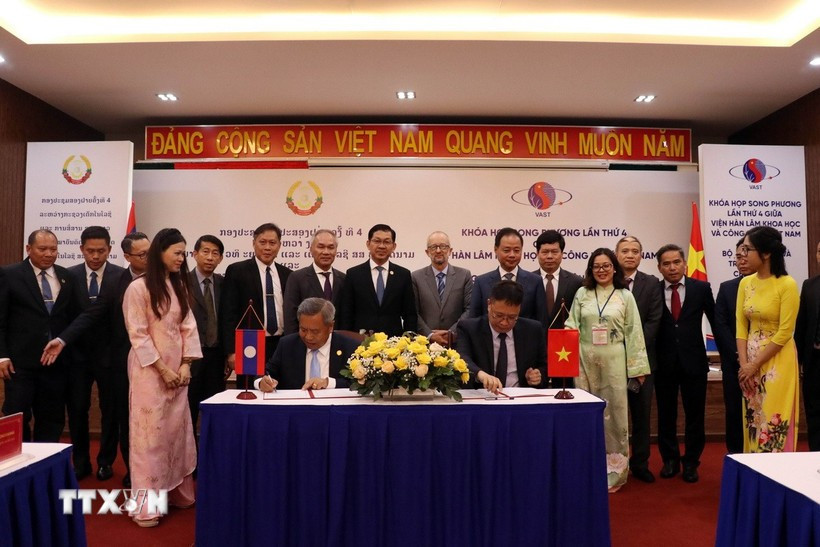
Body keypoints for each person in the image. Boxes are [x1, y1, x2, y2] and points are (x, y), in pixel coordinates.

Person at [123, 227, 202, 527]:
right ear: (160, 253)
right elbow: (138, 335)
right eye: (178, 253)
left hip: (178, 375)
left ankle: (178, 492)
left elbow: (188, 328)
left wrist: (185, 366)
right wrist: (163, 369)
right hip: (149, 374)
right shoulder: (138, 289)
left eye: (184, 253)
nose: (183, 258)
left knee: (177, 435)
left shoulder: (178, 286)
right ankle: (146, 506)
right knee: (150, 439)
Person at [565, 248, 650, 492]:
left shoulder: (625, 296)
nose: (601, 270)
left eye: (606, 265)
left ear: (615, 268)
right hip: (584, 361)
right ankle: (586, 468)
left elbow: (634, 332)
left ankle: (615, 471)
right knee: (586, 413)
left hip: (615, 362)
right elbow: (572, 324)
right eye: (596, 266)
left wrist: (637, 369)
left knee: (614, 416)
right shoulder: (582, 293)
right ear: (590, 269)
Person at [0, 230, 88, 442]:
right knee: (17, 416)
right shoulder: (9, 275)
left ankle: (45, 467)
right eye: (42, 249)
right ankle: (19, 469)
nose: (49, 254)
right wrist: (2, 355)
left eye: (53, 249)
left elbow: (75, 317)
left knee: (52, 419)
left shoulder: (67, 276)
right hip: (19, 364)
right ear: (28, 249)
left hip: (55, 364)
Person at [66, 226, 126, 481]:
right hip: (77, 357)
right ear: (81, 249)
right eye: (90, 251)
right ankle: (80, 462)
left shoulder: (122, 276)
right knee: (77, 409)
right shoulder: (68, 276)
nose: (95, 256)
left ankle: (105, 461)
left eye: (101, 251)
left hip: (110, 356)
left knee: (110, 411)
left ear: (110, 250)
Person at [655, 243, 715, 483]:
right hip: (663, 362)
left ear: (685, 264)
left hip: (694, 362)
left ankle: (691, 462)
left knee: (695, 415)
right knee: (666, 414)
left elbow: (715, 320)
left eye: (676, 262)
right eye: (666, 264)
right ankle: (669, 460)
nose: (672, 267)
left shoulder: (701, 288)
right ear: (659, 267)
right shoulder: (653, 290)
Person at [736, 226, 800, 453]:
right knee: (753, 419)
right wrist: (745, 364)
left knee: (773, 418)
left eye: (747, 249)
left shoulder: (787, 284)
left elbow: (785, 332)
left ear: (766, 253)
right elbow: (741, 326)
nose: (742, 254)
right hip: (749, 363)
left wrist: (755, 364)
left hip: (776, 361)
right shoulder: (746, 283)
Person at [615, 235, 663, 483]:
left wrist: (632, 352)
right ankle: (615, 462)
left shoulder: (652, 283)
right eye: (625, 250)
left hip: (643, 362)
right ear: (617, 254)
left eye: (635, 251)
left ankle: (640, 463)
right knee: (614, 415)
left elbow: (654, 321)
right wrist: (616, 351)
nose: (630, 255)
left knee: (641, 415)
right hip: (611, 361)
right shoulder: (606, 281)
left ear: (641, 255)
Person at [220, 223, 292, 388]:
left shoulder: (287, 275)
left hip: (281, 344)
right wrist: (232, 351)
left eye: (272, 243)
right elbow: (228, 314)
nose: (267, 247)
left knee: (280, 390)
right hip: (249, 344)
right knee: (249, 391)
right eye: (262, 242)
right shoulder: (237, 271)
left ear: (280, 246)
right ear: (254, 243)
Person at [456, 280, 546, 393]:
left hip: (520, 396)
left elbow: (544, 365)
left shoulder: (533, 330)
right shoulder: (469, 328)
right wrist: (481, 375)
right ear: (489, 304)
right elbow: (462, 359)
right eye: (499, 315)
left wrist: (537, 375)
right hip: (483, 396)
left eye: (512, 317)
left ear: (519, 309)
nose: (504, 322)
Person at [256, 298, 358, 391]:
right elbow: (265, 373)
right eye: (303, 330)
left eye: (315, 331)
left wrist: (328, 383)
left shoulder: (350, 347)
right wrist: (262, 382)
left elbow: (361, 382)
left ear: (330, 326)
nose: (308, 337)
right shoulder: (287, 345)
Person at [338, 224, 417, 336]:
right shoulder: (353, 274)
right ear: (368, 244)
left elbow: (410, 315)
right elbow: (347, 313)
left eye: (387, 242)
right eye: (377, 241)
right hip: (361, 342)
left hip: (393, 345)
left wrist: (410, 342)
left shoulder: (403, 275)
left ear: (394, 246)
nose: (381, 246)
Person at [713, 238, 751, 454]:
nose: (742, 260)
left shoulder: (778, 284)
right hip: (734, 363)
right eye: (738, 256)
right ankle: (736, 456)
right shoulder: (727, 289)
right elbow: (721, 325)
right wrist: (739, 356)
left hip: (765, 362)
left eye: (746, 254)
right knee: (735, 412)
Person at [534, 229, 583, 388]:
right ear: (537, 253)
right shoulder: (527, 280)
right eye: (545, 252)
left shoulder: (576, 282)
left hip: (565, 352)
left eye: (554, 252)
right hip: (535, 352)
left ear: (562, 254)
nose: (549, 256)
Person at [187, 235, 225, 430]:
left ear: (220, 259)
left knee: (215, 410)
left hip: (216, 357)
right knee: (189, 411)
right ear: (195, 254)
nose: (210, 257)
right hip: (191, 357)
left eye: (215, 253)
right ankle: (190, 459)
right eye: (206, 252)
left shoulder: (224, 283)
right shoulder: (182, 282)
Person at [470, 227, 544, 322]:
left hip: (524, 336)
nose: (512, 255)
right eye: (506, 250)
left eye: (517, 250)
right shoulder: (481, 282)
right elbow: (474, 320)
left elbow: (541, 321)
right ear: (496, 250)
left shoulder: (535, 281)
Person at [411, 231, 472, 345]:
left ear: (450, 250)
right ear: (427, 252)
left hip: (456, 343)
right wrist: (430, 335)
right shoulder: (416, 277)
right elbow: (413, 312)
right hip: (425, 346)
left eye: (443, 246)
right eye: (433, 247)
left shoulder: (464, 275)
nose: (438, 251)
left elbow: (469, 309)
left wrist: (451, 333)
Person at [282, 229, 346, 334]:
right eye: (320, 247)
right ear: (311, 249)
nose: (326, 252)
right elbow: (290, 317)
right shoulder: (297, 278)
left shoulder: (343, 279)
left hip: (336, 344)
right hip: (306, 342)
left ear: (336, 250)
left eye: (331, 247)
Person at [795, 241, 820, 451]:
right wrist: (798, 362)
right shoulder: (809, 285)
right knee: (814, 412)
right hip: (814, 360)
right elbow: (801, 326)